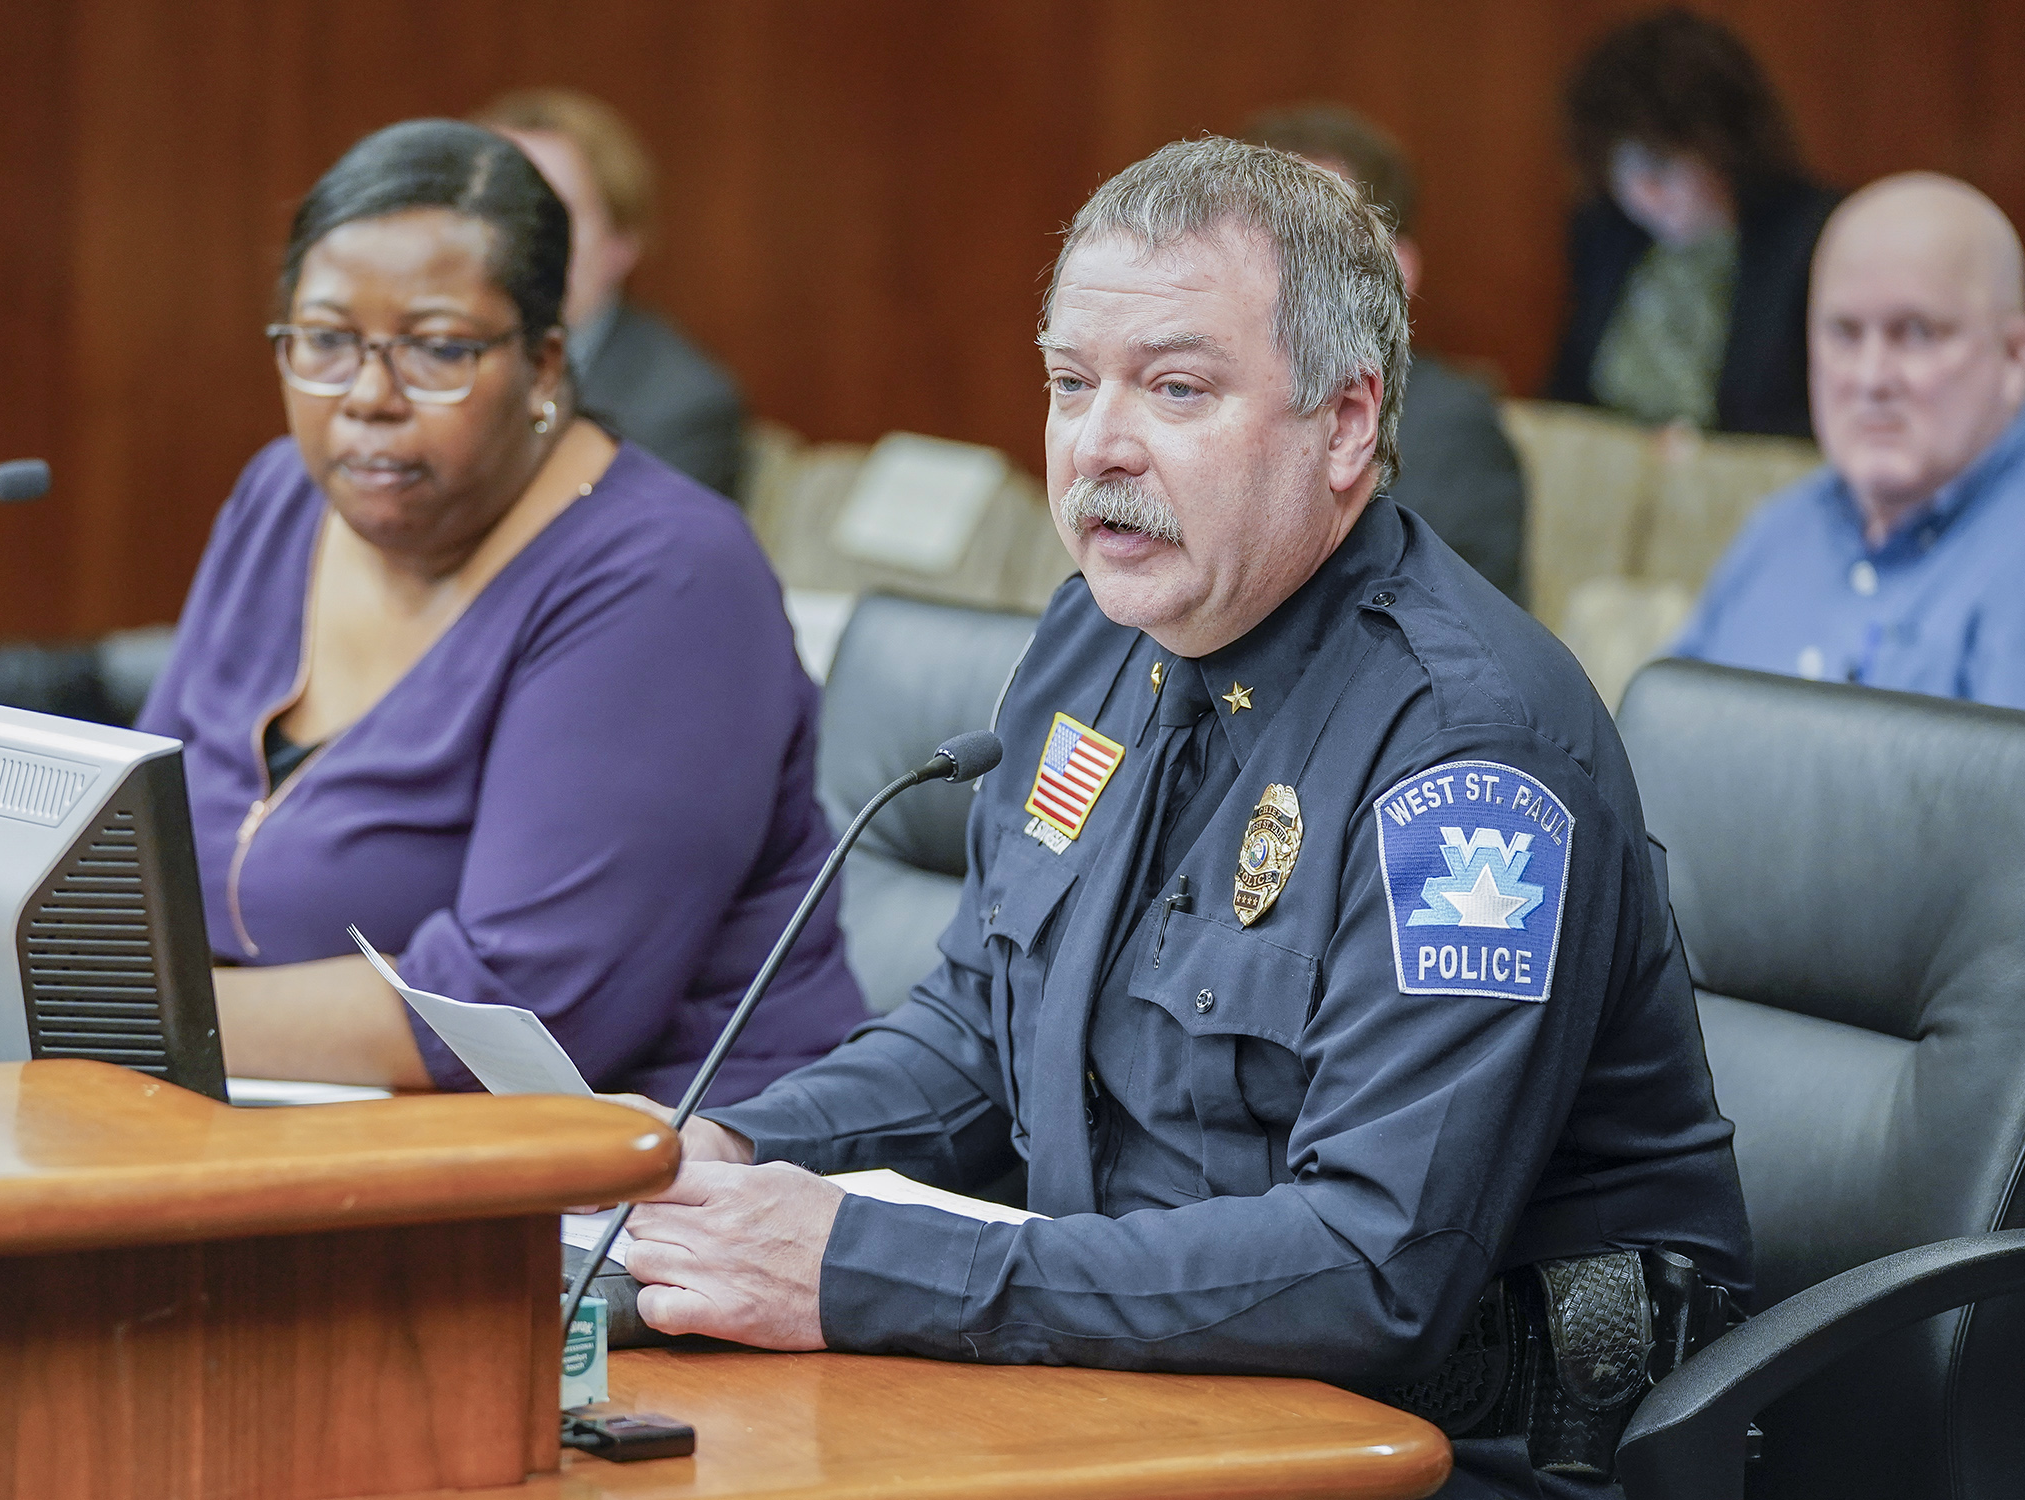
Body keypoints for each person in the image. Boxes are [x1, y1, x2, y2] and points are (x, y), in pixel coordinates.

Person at [610, 138, 1752, 1499]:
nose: (1099, 443)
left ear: (1341, 426)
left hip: (1439, 1452)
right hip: (1131, 1386)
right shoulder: (1099, 636)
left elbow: (1372, 1267)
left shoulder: (1473, 758)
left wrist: (855, 1268)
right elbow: (983, 1024)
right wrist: (738, 1150)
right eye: (1070, 383)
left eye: (1176, 388)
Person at [137, 119, 865, 1097]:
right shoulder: (282, 497)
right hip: (270, 1120)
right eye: (323, 341)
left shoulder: (666, 575)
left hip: (645, 1184)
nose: (367, 395)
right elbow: (130, 854)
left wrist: (133, 1014)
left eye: (437, 350)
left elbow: (520, 1016)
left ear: (547, 364)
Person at [1672, 174, 2025, 703]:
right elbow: (1648, 748)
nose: (1871, 378)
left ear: (2014, 355)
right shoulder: (1776, 533)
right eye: (1844, 333)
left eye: (1916, 332)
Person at [1245, 103, 1526, 601]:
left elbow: (1423, 617)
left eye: (1309, 242)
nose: (1273, 272)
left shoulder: (1451, 424)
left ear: (1396, 272)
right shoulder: (1195, 400)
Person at [1547, 8, 1839, 438]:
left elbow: (1814, 417)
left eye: (1660, 165)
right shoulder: (1606, 232)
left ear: (1724, 146)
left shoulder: (1810, 238)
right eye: (1621, 169)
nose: (1641, 194)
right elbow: (1568, 392)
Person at [472, 88, 747, 497]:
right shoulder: (401, 368)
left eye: (551, 215)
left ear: (621, 245)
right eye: (492, 210)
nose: (512, 238)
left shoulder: (678, 406)